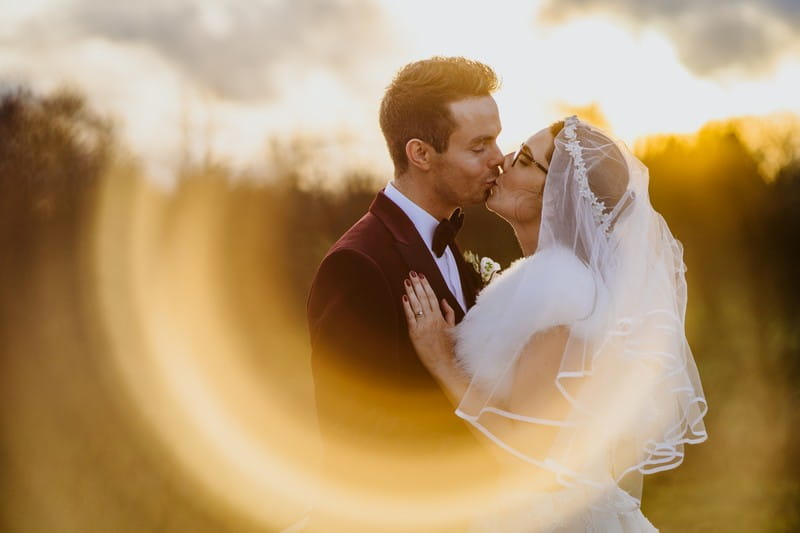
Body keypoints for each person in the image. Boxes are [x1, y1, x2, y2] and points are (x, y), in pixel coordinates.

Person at [401, 116, 708, 531]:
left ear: (561, 193)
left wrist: (441, 361)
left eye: (525, 160)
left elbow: (530, 460)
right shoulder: (544, 281)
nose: (503, 161)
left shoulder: (563, 297)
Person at [306, 56, 505, 530]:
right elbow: (356, 439)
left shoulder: (452, 249)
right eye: (479, 146)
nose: (499, 156)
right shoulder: (358, 265)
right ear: (420, 153)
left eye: (496, 138)